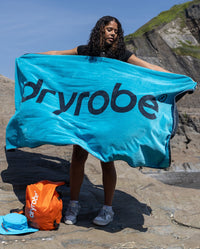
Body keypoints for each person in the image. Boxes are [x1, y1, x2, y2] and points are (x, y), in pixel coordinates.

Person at [39, 16, 170, 226]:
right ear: (100, 30)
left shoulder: (121, 55)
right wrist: (33, 58)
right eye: (109, 29)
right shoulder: (85, 51)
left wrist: (175, 78)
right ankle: (74, 204)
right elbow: (57, 55)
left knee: (106, 160)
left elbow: (149, 67)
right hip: (85, 115)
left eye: (116, 31)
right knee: (78, 157)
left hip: (108, 118)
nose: (113, 34)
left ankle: (107, 208)